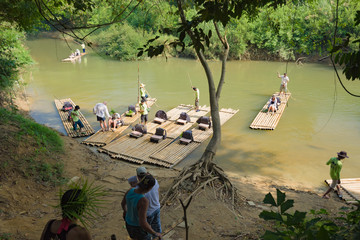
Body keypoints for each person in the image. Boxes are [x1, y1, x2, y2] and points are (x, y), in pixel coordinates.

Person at [122, 174, 162, 240]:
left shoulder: (130, 191)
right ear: (150, 188)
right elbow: (142, 223)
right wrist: (154, 233)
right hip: (138, 228)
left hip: (128, 224)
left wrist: (126, 212)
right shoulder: (143, 201)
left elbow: (123, 204)